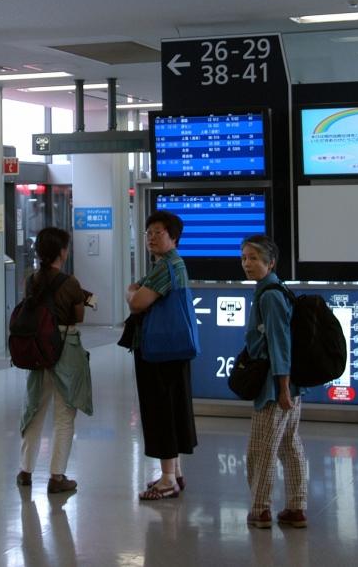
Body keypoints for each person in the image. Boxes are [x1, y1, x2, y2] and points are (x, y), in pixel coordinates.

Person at [126, 210, 197, 501]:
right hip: (172, 349)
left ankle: (167, 480)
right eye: (149, 232)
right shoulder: (173, 264)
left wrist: (131, 293)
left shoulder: (165, 267)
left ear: (174, 237)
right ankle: (175, 472)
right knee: (173, 407)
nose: (152, 237)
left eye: (159, 232)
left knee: (161, 410)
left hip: (159, 351)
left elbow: (138, 302)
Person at [17, 227, 94, 493]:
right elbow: (78, 316)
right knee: (64, 414)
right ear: (62, 252)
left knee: (34, 410)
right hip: (65, 348)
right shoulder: (70, 282)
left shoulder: (32, 280)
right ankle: (57, 476)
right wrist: (82, 299)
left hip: (39, 349)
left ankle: (25, 471)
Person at [240, 234, 308, 529]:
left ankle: (260, 509)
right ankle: (296, 507)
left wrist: (282, 388)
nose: (247, 264)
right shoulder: (276, 289)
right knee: (289, 445)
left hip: (275, 386)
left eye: (254, 258)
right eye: (244, 258)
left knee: (260, 449)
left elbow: (280, 345)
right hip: (290, 384)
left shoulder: (269, 296)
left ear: (270, 263)